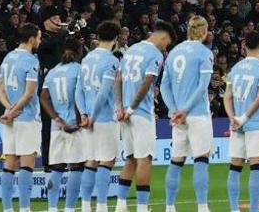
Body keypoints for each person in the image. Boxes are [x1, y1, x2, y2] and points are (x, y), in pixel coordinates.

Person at [117, 23, 172, 212]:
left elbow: (119, 78)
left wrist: (120, 107)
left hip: (124, 113)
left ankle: (121, 205)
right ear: (162, 37)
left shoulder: (131, 49)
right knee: (145, 159)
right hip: (140, 112)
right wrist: (132, 108)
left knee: (130, 159)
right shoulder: (154, 55)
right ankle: (142, 207)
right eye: (167, 43)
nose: (165, 48)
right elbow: (147, 82)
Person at [163, 17, 216, 212]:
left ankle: (169, 207)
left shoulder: (173, 52)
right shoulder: (204, 52)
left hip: (177, 116)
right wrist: (184, 110)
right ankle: (202, 207)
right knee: (201, 159)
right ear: (202, 31)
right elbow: (203, 86)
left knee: (176, 160)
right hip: (197, 113)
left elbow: (163, 86)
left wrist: (174, 110)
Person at [223, 31, 259, 212]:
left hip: (236, 125)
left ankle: (234, 209)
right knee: (256, 167)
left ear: (244, 46)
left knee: (235, 168)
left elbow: (227, 97)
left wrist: (233, 118)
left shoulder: (234, 69)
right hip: (255, 123)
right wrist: (244, 118)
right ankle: (254, 209)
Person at [78, 22, 123, 212]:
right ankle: (102, 206)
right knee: (107, 160)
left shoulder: (87, 58)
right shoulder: (112, 61)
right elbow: (104, 93)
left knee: (91, 160)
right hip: (103, 118)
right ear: (116, 39)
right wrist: (93, 116)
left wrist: (83, 114)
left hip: (87, 118)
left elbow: (78, 91)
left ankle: (86, 205)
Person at [0, 24, 44, 212]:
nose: (40, 41)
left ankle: (8, 209)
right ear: (32, 39)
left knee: (10, 162)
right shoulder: (31, 60)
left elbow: (0, 89)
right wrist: (15, 110)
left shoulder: (8, 58)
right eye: (39, 37)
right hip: (26, 118)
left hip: (10, 119)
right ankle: (25, 208)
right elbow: (29, 92)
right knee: (27, 163)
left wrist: (9, 110)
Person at [40, 42, 85, 212]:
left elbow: (43, 97)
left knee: (56, 168)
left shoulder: (52, 71)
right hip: (74, 124)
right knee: (77, 166)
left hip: (56, 126)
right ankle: (69, 208)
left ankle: (52, 208)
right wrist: (77, 121)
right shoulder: (79, 69)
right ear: (78, 51)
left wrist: (57, 119)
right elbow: (77, 95)